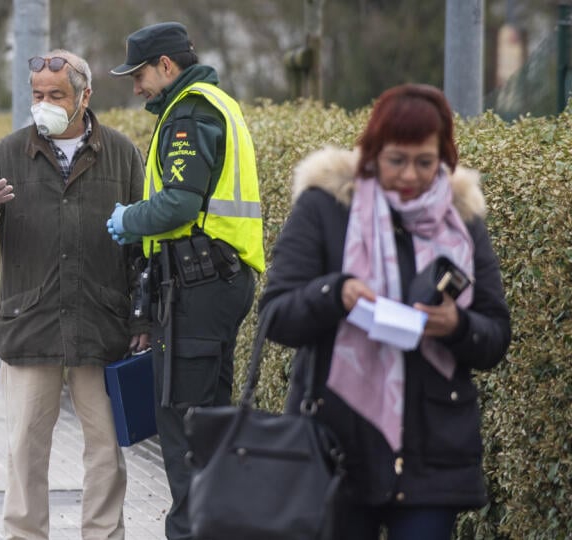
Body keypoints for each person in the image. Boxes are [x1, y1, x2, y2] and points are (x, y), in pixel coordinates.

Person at [258, 84, 511, 539]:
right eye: (397, 160)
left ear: (444, 160)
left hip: (433, 455)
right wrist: (335, 293)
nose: (410, 175)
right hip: (335, 447)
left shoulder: (463, 220)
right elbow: (276, 315)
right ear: (372, 153)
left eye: (425, 162)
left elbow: (494, 336)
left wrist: (458, 326)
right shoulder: (324, 208)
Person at [0, 49, 148, 540]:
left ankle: (103, 534)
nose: (45, 103)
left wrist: (143, 321)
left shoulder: (121, 153)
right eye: (38, 94)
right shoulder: (7, 153)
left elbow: (145, 244)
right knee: (25, 450)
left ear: (85, 96)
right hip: (29, 323)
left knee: (105, 449)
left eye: (56, 95)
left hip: (102, 325)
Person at [107, 22, 264, 539]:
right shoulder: (216, 103)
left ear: (166, 66)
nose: (136, 87)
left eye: (140, 75)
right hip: (217, 279)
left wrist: (128, 219)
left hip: (199, 283)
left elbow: (179, 203)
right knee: (210, 420)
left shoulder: (189, 114)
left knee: (185, 424)